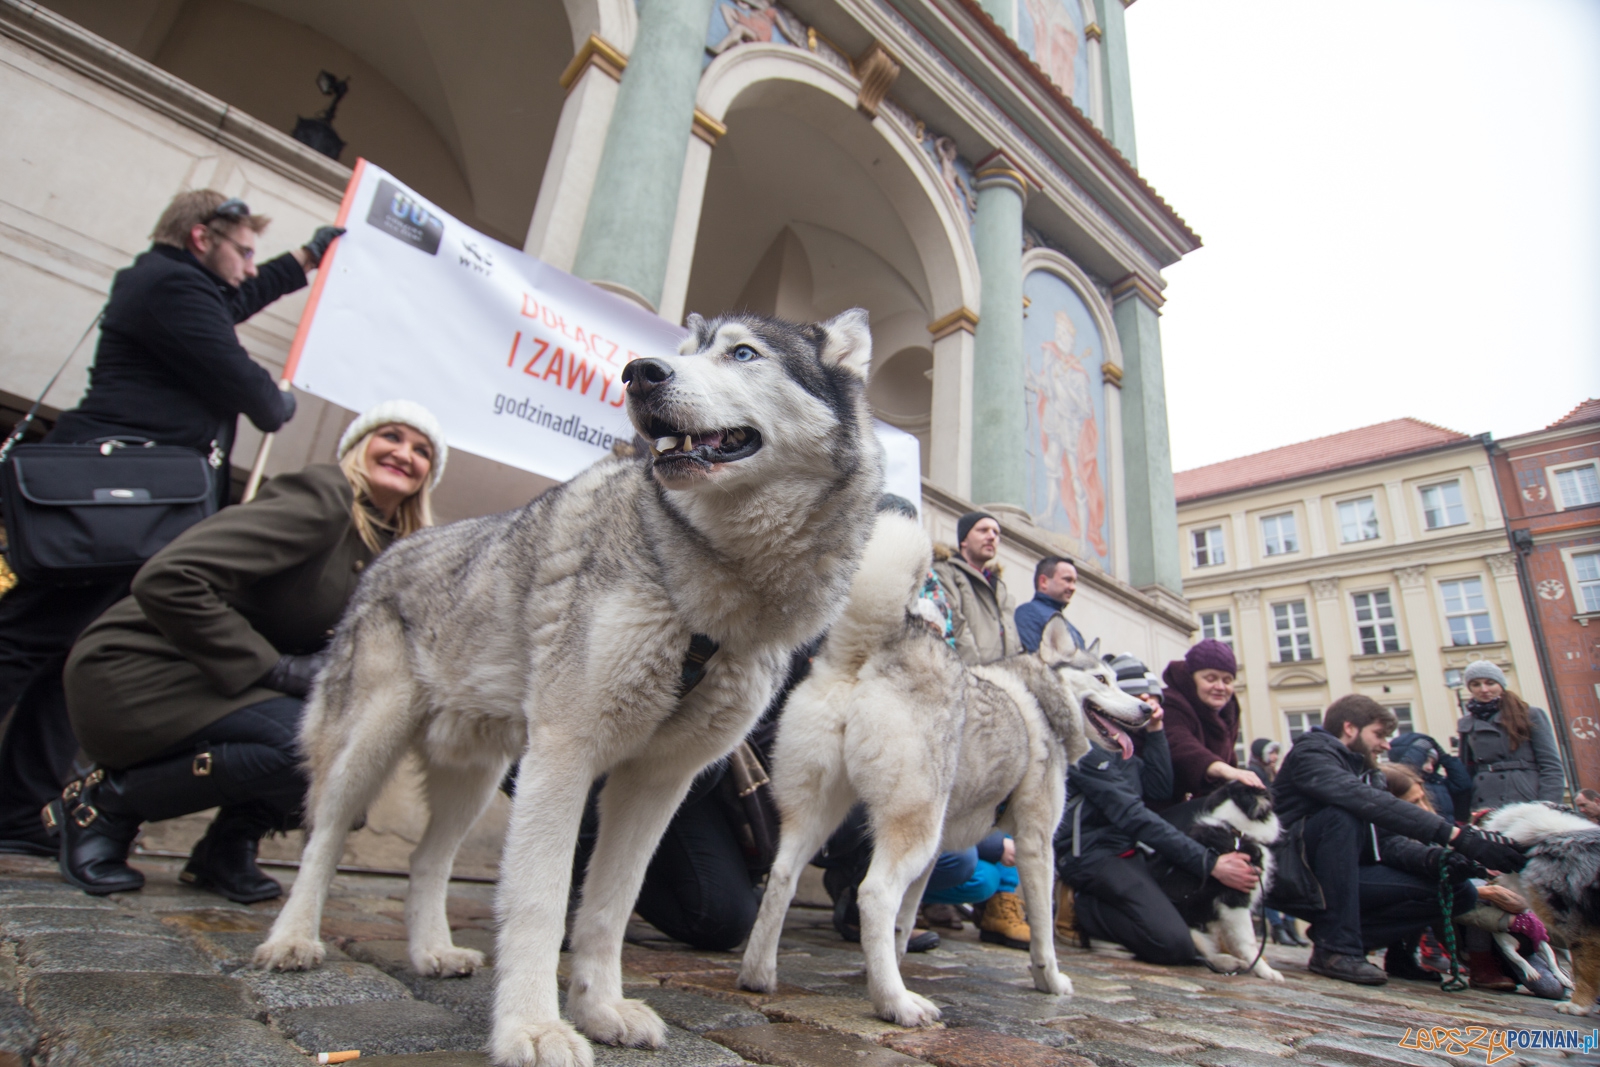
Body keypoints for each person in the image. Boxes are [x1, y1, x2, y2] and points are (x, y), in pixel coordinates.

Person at [0, 190, 342, 855]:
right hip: (105, 504)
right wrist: (281, 395)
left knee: (64, 658)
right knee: (19, 645)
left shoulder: (179, 286)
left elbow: (235, 299)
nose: (249, 268)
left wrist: (304, 259)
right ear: (198, 238)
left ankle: (16, 809)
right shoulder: (169, 289)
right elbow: (258, 399)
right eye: (242, 251)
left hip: (127, 510)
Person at [48, 401, 443, 901]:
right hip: (145, 669)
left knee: (354, 764)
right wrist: (274, 669)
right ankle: (102, 806)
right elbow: (170, 579)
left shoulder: (400, 553)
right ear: (359, 447)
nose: (405, 454)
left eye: (422, 450)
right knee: (311, 754)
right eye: (391, 437)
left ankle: (227, 846)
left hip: (223, 687)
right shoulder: (325, 495)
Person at [1270, 695, 1527, 986]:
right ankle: (1336, 949)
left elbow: (1389, 844)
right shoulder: (1311, 753)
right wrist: (1457, 836)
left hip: (1344, 878)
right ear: (1350, 728)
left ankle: (1393, 953)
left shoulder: (1370, 774)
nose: (1386, 745)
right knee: (1342, 814)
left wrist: (1437, 859)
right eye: (1379, 735)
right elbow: (1361, 800)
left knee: (1458, 892)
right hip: (1291, 874)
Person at [1057, 655, 1262, 965]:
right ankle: (1079, 908)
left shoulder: (1122, 742)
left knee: (1208, 807)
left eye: (1153, 698)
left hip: (1128, 848)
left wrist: (1155, 731)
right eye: (1141, 699)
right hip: (1091, 854)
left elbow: (1159, 788)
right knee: (1173, 945)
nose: (1148, 705)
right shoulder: (1086, 745)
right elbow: (1131, 814)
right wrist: (1210, 863)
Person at [1153, 640, 1261, 811]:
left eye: (1227, 680)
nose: (1220, 687)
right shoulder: (1170, 702)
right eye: (1210, 679)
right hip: (1164, 807)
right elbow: (1180, 744)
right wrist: (1222, 770)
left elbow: (1230, 757)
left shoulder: (1228, 711)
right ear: (1191, 678)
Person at [1455, 662, 1564, 810]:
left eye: (1490, 683)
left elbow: (1551, 765)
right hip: (1484, 800)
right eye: (1476, 685)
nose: (1484, 689)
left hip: (1525, 796)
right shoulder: (1466, 723)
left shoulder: (1529, 715)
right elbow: (1466, 771)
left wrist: (1548, 805)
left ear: (1501, 684)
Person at [932, 511, 1018, 666]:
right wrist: (974, 671)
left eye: (996, 532)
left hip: (1002, 680)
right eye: (983, 530)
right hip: (971, 677)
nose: (992, 537)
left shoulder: (999, 586)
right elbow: (955, 621)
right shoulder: (946, 571)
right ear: (964, 539)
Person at [1387, 732, 1472, 822]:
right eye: (1425, 761)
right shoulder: (1402, 785)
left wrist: (1446, 758)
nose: (1430, 768)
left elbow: (1462, 785)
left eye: (1433, 762)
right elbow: (1406, 770)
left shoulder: (1436, 781)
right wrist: (1419, 748)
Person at [1014, 555, 1086, 654]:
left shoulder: (1073, 630)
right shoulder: (1028, 614)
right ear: (1044, 582)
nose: (1073, 587)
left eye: (1074, 582)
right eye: (1067, 580)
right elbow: (1027, 661)